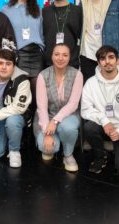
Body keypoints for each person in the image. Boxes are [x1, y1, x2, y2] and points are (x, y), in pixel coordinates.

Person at [81, 45, 119, 176]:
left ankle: (118, 148)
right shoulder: (91, 83)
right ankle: (100, 155)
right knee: (89, 127)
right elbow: (85, 110)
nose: (107, 61)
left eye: (111, 57)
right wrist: (104, 121)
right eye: (103, 58)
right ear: (98, 62)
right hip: (103, 127)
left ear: (117, 59)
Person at [34, 44, 82, 172]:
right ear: (52, 56)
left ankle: (68, 154)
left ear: (69, 57)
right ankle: (56, 140)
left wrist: (55, 121)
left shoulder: (77, 75)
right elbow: (42, 107)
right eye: (57, 54)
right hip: (47, 115)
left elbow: (73, 104)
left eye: (65, 55)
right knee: (48, 148)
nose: (60, 58)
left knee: (68, 128)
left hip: (69, 115)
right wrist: (47, 133)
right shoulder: (42, 75)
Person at [2, 0, 44, 107]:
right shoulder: (6, 10)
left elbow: (41, 31)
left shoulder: (37, 9)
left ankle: (34, 122)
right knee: (22, 91)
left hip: (36, 54)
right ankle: (23, 122)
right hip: (19, 54)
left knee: (37, 91)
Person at [42, 0, 83, 69]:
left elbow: (82, 36)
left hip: (72, 62)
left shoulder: (78, 11)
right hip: (49, 63)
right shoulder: (44, 11)